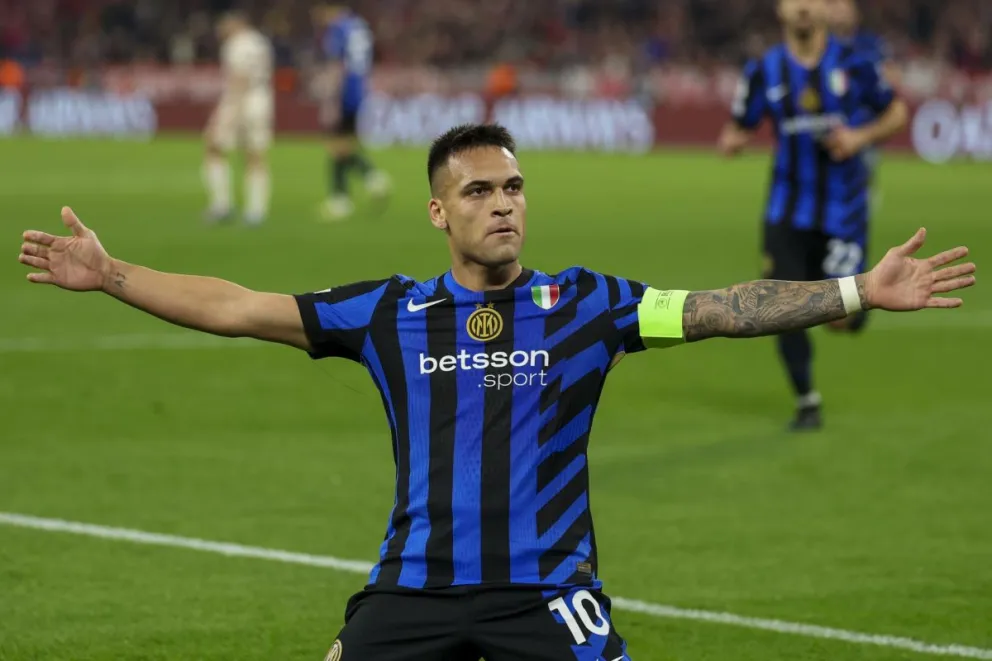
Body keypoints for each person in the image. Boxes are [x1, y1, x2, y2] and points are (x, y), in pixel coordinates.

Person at [18, 124, 975, 661]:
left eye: (514, 186)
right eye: (479, 191)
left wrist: (858, 290)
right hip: (412, 591)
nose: (504, 202)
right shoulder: (389, 312)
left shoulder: (589, 304)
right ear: (439, 211)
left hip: (548, 594)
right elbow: (237, 306)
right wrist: (113, 275)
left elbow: (724, 307)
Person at [718, 0, 910, 431]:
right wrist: (733, 140)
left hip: (844, 211)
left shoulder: (855, 63)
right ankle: (807, 400)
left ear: (826, 9)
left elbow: (897, 113)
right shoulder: (764, 70)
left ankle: (856, 311)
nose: (803, 6)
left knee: (842, 318)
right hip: (786, 211)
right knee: (780, 308)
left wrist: (859, 137)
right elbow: (739, 124)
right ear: (780, 10)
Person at [311, 3, 391, 221]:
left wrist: (331, 100)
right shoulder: (359, 25)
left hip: (345, 92)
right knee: (344, 145)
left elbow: (338, 66)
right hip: (360, 89)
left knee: (336, 146)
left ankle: (345, 197)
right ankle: (368, 180)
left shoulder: (337, 28)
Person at [202, 11, 274, 225]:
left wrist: (229, 112)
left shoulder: (236, 44)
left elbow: (239, 78)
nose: (220, 29)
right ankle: (256, 211)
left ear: (236, 23)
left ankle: (221, 206)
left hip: (240, 99)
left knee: (213, 146)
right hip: (261, 98)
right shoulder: (260, 42)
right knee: (255, 155)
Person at [826, 0, 900, 205]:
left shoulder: (870, 44)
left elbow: (890, 76)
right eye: (835, 8)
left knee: (860, 177)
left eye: (844, 8)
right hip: (830, 121)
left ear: (856, 14)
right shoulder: (820, 45)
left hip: (864, 122)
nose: (839, 14)